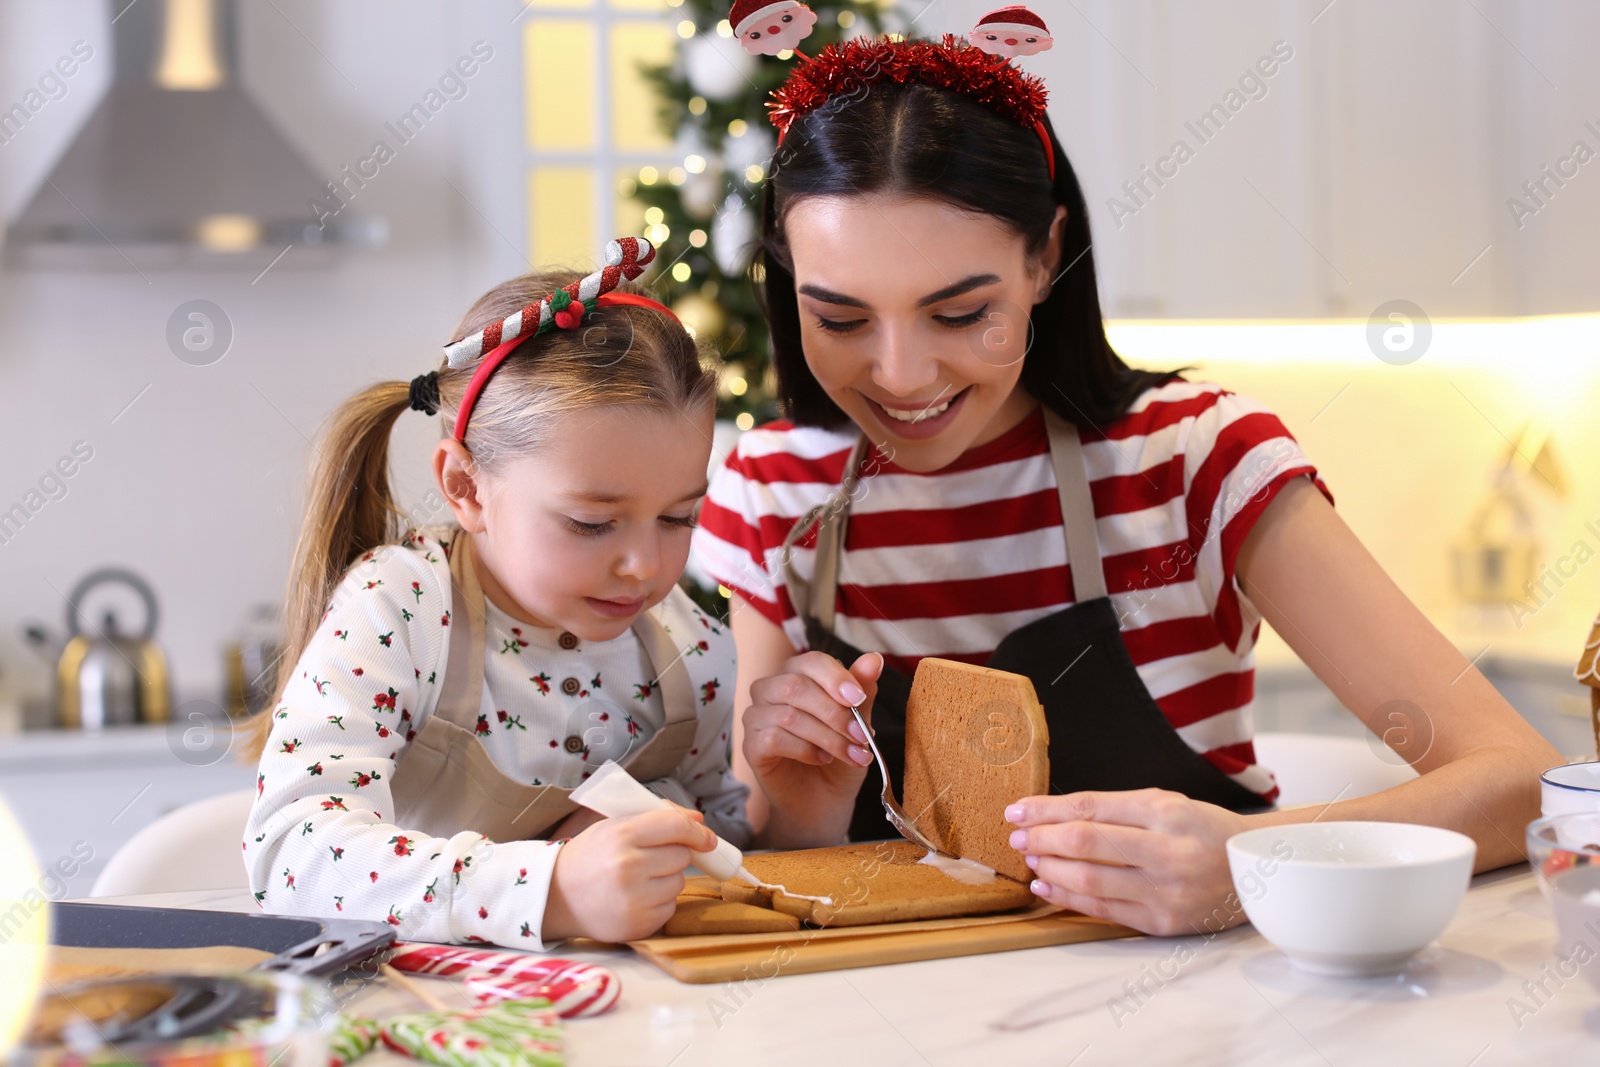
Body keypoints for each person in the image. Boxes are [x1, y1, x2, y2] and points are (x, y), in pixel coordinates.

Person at [692, 8, 1560, 936]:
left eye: (959, 314)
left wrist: (1246, 865)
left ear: (1044, 257)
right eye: (842, 319)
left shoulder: (1194, 459)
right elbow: (782, 865)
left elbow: (1520, 782)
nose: (900, 376)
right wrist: (801, 804)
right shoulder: (777, 488)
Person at [240, 238, 748, 948]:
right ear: (466, 487)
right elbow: (291, 853)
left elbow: (734, 841)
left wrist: (792, 806)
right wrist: (551, 886)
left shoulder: (686, 642)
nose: (643, 564)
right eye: (592, 522)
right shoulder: (403, 610)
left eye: (677, 517)